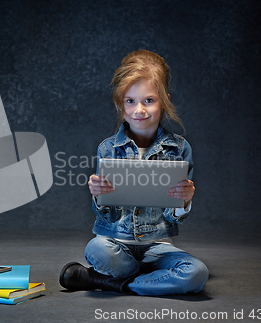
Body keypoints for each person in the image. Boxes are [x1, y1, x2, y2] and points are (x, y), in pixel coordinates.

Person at [59, 49, 209, 296]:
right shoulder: (107, 148)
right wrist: (98, 195)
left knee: (196, 273)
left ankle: (107, 281)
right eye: (130, 101)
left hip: (157, 246)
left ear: (164, 101)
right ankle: (149, 281)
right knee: (96, 249)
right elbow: (104, 214)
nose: (139, 110)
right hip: (115, 243)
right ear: (121, 104)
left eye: (149, 100)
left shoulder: (179, 148)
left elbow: (175, 218)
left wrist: (185, 201)